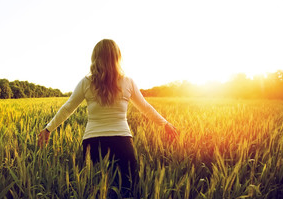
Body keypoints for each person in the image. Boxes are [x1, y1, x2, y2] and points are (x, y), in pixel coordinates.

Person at [38, 39, 178, 191]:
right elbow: (145, 107)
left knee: (93, 194)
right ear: (118, 57)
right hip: (122, 143)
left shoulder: (86, 82)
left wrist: (48, 129)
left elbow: (67, 108)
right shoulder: (128, 82)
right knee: (128, 191)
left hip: (93, 143)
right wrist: (165, 124)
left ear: (95, 58)